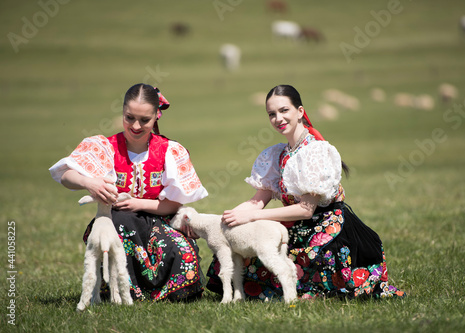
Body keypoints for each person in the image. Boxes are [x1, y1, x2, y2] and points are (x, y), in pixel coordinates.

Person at [206, 84, 405, 300]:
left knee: (308, 259)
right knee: (250, 250)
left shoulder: (315, 151)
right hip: (294, 226)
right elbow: (256, 202)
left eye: (284, 110)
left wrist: (254, 216)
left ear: (300, 112)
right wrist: (225, 220)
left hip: (328, 225)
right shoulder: (276, 155)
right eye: (272, 114)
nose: (278, 119)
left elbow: (306, 210)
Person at [50, 83, 208, 302]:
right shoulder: (107, 147)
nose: (136, 125)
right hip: (119, 222)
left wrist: (138, 204)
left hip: (160, 219)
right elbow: (66, 175)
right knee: (119, 228)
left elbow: (174, 204)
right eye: (129, 117)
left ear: (156, 117)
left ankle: (168, 292)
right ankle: (125, 292)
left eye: (145, 120)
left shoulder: (169, 150)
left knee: (182, 251)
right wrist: (89, 182)